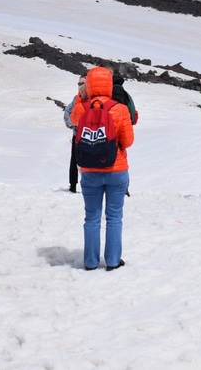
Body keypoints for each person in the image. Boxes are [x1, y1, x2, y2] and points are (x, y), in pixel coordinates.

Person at [72, 66, 135, 271]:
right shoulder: (120, 109)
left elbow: (72, 120)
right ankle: (113, 261)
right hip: (116, 169)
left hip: (89, 171)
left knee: (91, 217)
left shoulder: (82, 107)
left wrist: (81, 96)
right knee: (114, 217)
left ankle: (90, 261)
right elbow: (128, 140)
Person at [63, 73, 88, 193]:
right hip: (77, 135)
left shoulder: (92, 99)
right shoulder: (76, 98)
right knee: (74, 160)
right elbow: (67, 112)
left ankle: (88, 185)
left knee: (86, 160)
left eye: (82, 83)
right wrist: (71, 123)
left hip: (88, 136)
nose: (79, 86)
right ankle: (72, 185)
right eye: (78, 83)